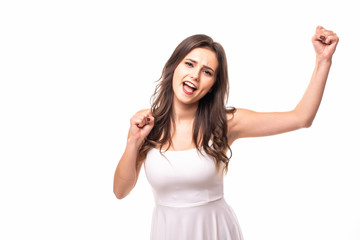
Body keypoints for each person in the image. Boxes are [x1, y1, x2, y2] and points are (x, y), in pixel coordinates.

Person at [113, 26, 339, 240]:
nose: (195, 75)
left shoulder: (224, 123)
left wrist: (323, 60)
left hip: (215, 230)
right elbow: (120, 191)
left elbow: (301, 118)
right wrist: (133, 142)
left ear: (212, 85)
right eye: (189, 64)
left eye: (207, 72)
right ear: (174, 66)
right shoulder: (147, 126)